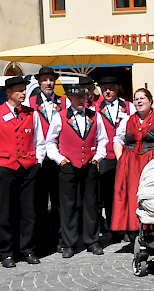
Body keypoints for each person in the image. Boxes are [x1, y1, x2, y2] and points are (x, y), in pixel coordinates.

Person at [45, 84, 108, 258]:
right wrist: (59, 159)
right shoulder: (60, 117)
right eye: (78, 97)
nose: (82, 100)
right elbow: (49, 142)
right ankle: (68, 243)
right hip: (68, 166)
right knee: (68, 206)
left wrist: (99, 156)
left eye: (84, 97)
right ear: (70, 99)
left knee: (91, 205)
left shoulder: (96, 116)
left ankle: (92, 241)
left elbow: (103, 139)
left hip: (89, 165)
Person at [0, 77, 46, 267]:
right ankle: (6, 253)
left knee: (28, 211)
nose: (24, 94)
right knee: (5, 213)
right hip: (5, 169)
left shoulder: (32, 114)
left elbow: (40, 141)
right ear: (8, 92)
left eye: (24, 90)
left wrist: (37, 161)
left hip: (28, 168)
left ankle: (27, 250)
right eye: (20, 91)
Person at [111, 88, 154, 239]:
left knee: (152, 195)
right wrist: (121, 159)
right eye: (136, 99)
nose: (139, 101)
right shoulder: (127, 120)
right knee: (132, 195)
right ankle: (136, 230)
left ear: (150, 100)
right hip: (131, 163)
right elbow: (118, 140)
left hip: (153, 162)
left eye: (143, 98)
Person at [28, 66, 67, 253]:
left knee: (60, 202)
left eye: (51, 80)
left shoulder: (64, 103)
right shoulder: (30, 103)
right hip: (39, 160)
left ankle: (60, 239)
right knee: (39, 203)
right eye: (44, 80)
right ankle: (41, 241)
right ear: (39, 82)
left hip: (59, 159)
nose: (48, 83)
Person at [95, 76, 136, 238]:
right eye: (104, 88)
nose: (107, 92)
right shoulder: (95, 108)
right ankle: (113, 228)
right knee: (107, 195)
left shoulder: (128, 106)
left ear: (117, 88)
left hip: (124, 155)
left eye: (111, 88)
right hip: (105, 156)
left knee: (126, 192)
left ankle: (128, 227)